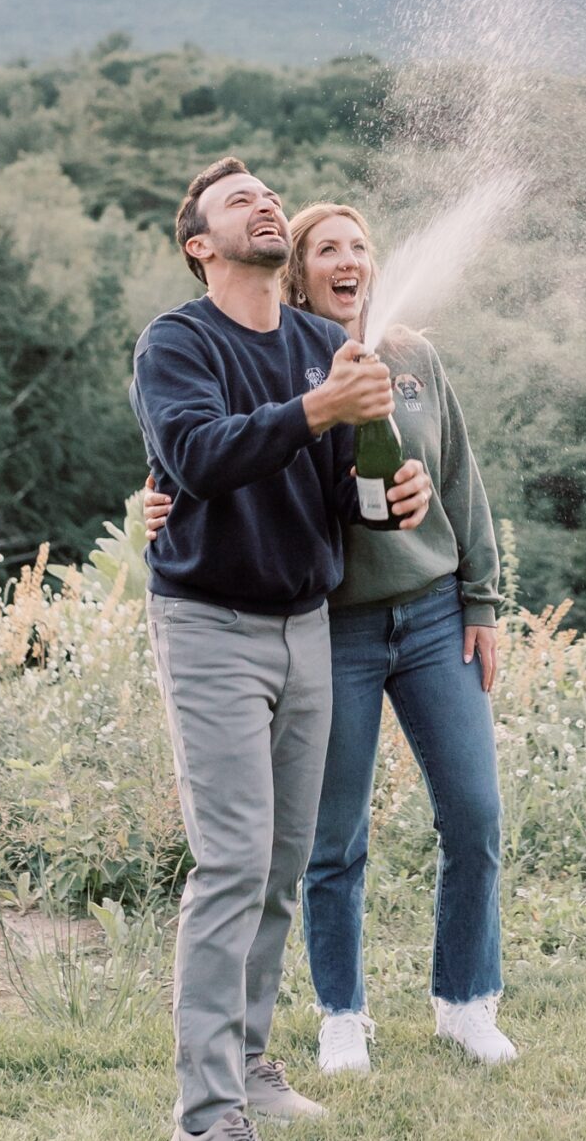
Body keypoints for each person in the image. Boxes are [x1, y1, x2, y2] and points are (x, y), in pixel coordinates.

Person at [146, 197, 518, 1075]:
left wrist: (483, 598)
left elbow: (461, 479)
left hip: (431, 618)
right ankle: (341, 1014)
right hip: (333, 627)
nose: (347, 260)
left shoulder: (414, 359)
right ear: (302, 275)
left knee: (474, 813)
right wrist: (156, 493)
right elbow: (216, 448)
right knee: (332, 840)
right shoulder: (298, 367)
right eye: (326, 249)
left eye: (359, 246)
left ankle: (467, 1001)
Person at [131, 156, 432, 1141]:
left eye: (268, 191)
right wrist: (315, 409)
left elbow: (342, 498)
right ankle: (204, 1123)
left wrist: (395, 492)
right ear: (200, 245)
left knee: (280, 861)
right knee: (228, 862)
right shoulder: (178, 343)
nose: (263, 200)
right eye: (235, 199)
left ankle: (252, 1067)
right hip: (210, 624)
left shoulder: (318, 343)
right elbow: (196, 455)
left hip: (306, 626)